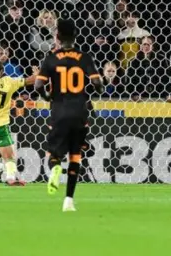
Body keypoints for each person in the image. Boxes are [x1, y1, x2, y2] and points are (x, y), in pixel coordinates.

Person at [34, 19, 103, 212]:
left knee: (53, 154)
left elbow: (38, 86)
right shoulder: (84, 57)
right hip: (80, 112)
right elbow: (98, 84)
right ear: (75, 36)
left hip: (59, 111)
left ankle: (56, 167)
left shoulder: (51, 59)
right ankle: (69, 201)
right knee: (75, 156)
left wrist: (49, 96)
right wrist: (86, 94)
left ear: (57, 37)